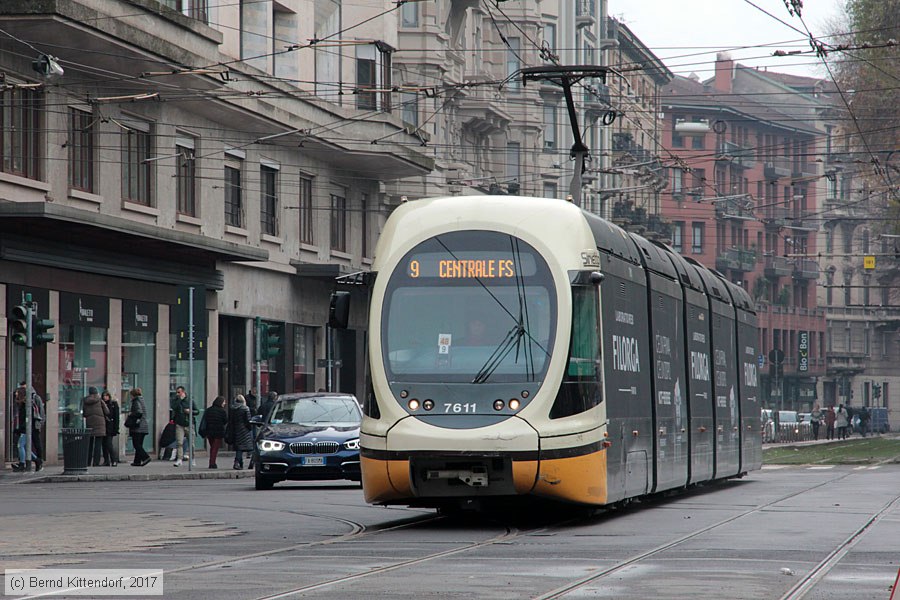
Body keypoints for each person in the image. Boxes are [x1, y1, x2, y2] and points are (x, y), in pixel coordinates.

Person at [11, 382, 44, 472]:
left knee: (21, 445)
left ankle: (23, 463)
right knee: (24, 446)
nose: (16, 396)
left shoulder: (30, 403)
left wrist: (22, 428)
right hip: (25, 428)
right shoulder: (22, 404)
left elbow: (33, 416)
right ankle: (36, 460)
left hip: (28, 428)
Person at [170, 385, 199, 467]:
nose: (177, 394)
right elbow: (173, 407)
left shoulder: (190, 400)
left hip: (189, 424)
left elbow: (197, 411)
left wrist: (190, 411)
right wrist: (179, 399)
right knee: (179, 442)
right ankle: (179, 458)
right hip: (179, 424)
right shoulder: (176, 400)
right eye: (177, 392)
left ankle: (193, 458)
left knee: (191, 443)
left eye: (179, 392)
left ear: (183, 392)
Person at [82, 386, 109, 466]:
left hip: (90, 423)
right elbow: (107, 411)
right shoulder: (100, 400)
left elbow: (84, 413)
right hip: (100, 424)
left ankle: (88, 462)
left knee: (89, 444)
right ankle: (96, 462)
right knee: (98, 444)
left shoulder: (86, 401)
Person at [202, 396, 228, 469]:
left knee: (212, 447)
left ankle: (212, 462)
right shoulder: (222, 411)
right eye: (223, 402)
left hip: (209, 432)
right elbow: (225, 421)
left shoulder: (208, 410)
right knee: (215, 448)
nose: (224, 403)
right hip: (218, 432)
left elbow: (205, 420)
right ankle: (212, 463)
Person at [228, 394, 254, 470]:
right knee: (248, 448)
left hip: (235, 430)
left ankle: (239, 463)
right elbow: (248, 420)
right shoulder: (245, 409)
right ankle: (244, 463)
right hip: (244, 430)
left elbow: (231, 420)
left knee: (239, 448)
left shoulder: (233, 409)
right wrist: (250, 428)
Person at [127, 388, 151, 466]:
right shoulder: (142, 400)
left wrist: (131, 414)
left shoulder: (136, 401)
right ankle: (137, 461)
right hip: (143, 426)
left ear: (133, 395)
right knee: (139, 444)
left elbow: (138, 412)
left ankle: (145, 457)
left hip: (138, 427)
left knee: (136, 444)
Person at [100, 390, 120, 466]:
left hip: (110, 427)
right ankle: (106, 461)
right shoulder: (102, 404)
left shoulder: (113, 404)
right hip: (103, 426)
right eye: (104, 396)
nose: (105, 397)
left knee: (109, 444)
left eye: (106, 396)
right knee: (104, 444)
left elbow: (116, 417)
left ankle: (114, 460)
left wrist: (116, 428)